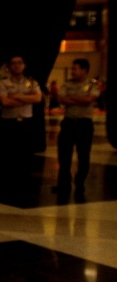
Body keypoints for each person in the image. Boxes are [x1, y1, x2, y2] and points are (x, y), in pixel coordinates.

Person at [0, 54, 42, 196]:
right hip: (9, 123)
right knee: (9, 154)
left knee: (26, 154)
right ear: (9, 66)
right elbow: (4, 102)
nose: (17, 65)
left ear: (24, 65)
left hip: (26, 123)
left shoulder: (31, 82)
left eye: (19, 63)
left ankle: (24, 184)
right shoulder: (3, 83)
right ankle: (10, 184)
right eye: (13, 63)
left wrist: (18, 96)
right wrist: (27, 99)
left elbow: (38, 98)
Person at [53, 58, 100, 201]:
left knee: (83, 155)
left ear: (84, 70)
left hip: (84, 124)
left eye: (75, 69)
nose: (72, 71)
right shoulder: (67, 84)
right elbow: (61, 99)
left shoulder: (92, 85)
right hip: (68, 123)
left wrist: (71, 98)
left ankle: (80, 181)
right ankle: (64, 183)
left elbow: (89, 100)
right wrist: (80, 99)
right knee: (64, 155)